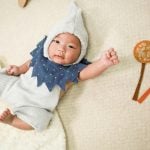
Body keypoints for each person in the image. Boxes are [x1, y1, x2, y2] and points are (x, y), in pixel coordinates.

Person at [0, 2, 119, 131]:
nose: (61, 48)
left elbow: (87, 73)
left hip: (34, 106)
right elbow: (30, 63)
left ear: (79, 55)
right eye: (57, 41)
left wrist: (103, 63)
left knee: (39, 121)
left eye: (71, 47)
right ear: (48, 43)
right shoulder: (41, 56)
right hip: (16, 87)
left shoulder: (70, 70)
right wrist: (19, 69)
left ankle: (12, 120)